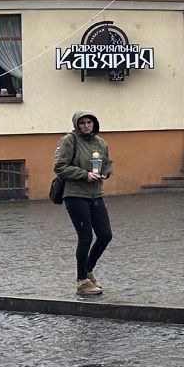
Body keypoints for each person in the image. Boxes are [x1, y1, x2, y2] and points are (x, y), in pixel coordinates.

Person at [54, 111, 114, 297]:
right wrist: (84, 174)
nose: (86, 126)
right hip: (75, 194)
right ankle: (82, 281)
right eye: (82, 123)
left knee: (105, 235)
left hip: (96, 194)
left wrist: (106, 172)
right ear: (77, 125)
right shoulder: (69, 140)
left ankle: (87, 270)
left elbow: (106, 163)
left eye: (89, 122)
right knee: (85, 236)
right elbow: (60, 167)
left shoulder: (101, 142)